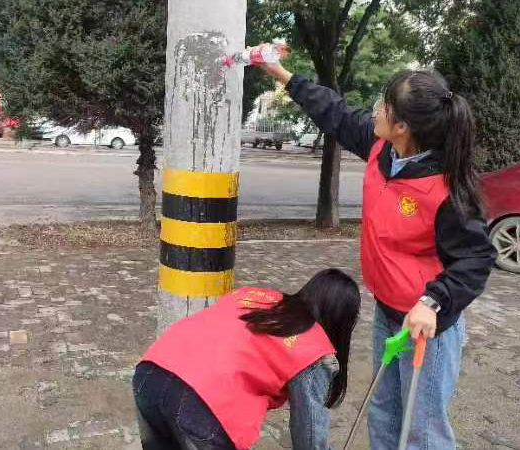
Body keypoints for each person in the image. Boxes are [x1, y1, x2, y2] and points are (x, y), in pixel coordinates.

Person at [259, 63, 497, 450]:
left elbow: (476, 259)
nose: (374, 109)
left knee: (422, 427)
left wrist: (432, 302)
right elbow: (333, 112)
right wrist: (284, 75)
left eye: (383, 105)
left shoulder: (446, 188)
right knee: (384, 410)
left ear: (402, 126)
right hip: (389, 313)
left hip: (426, 326)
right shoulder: (380, 148)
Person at [133, 269, 361, 450]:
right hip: (202, 408)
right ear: (342, 322)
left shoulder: (256, 296)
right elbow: (309, 436)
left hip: (150, 375)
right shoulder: (313, 348)